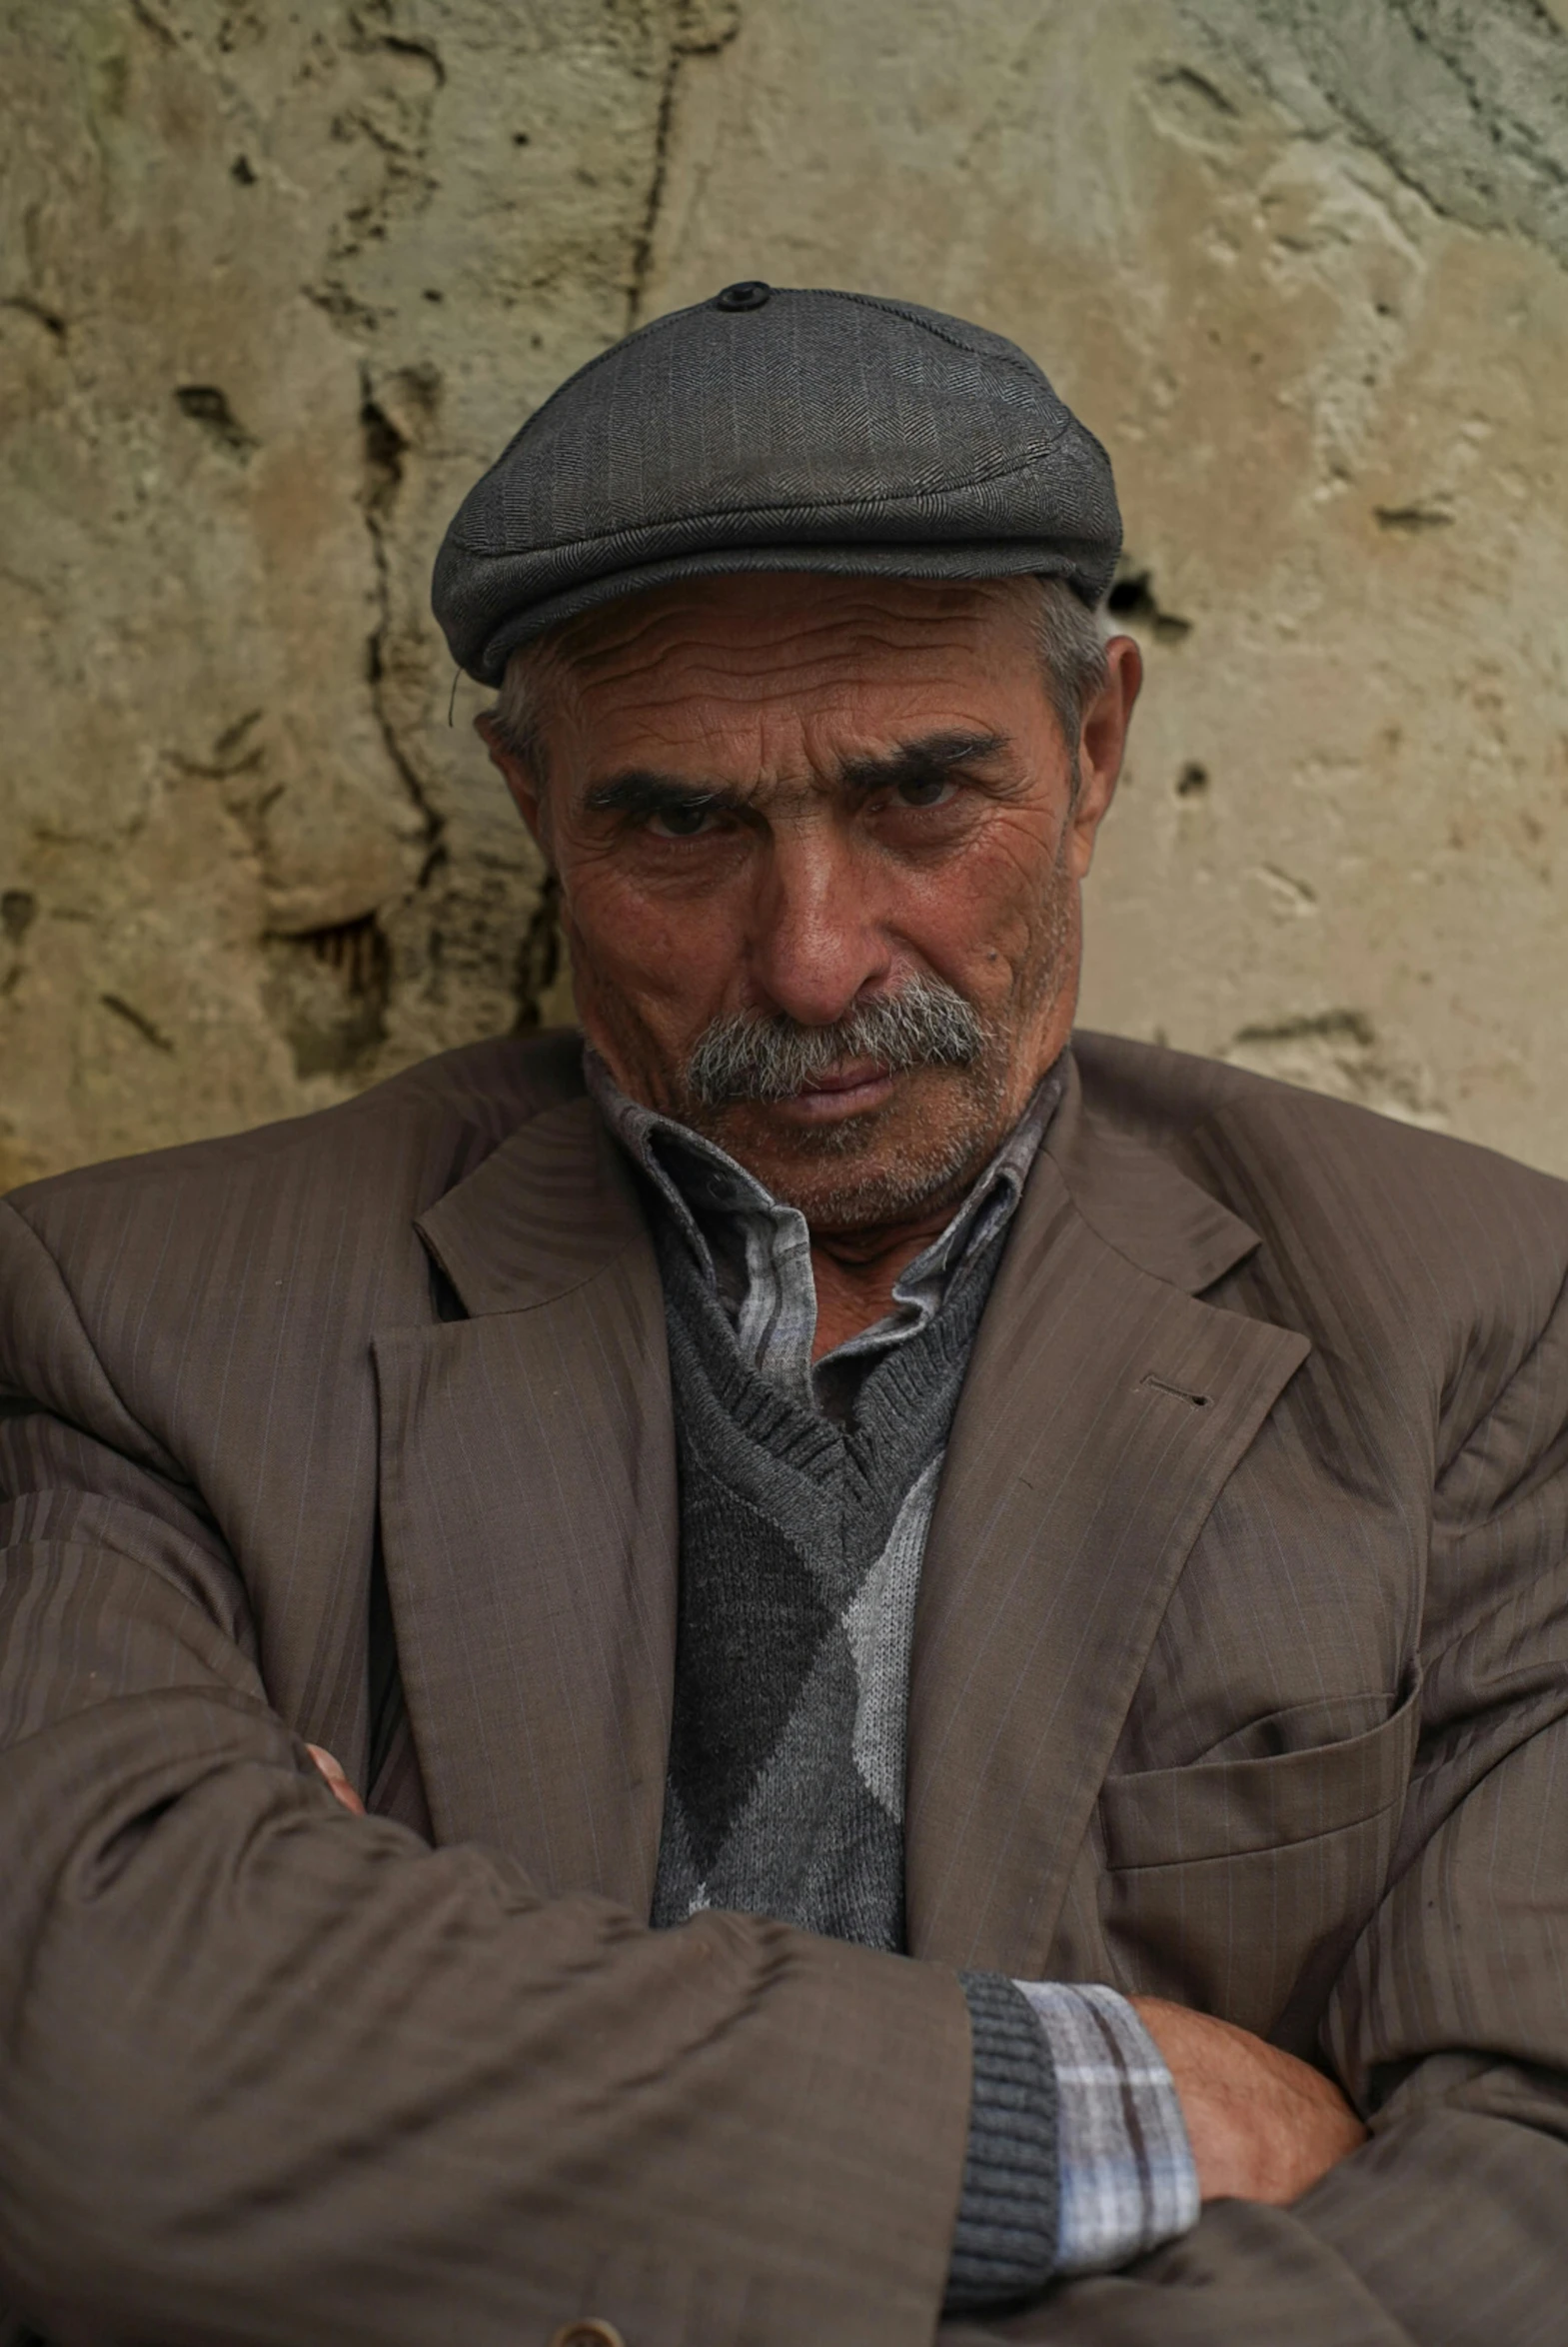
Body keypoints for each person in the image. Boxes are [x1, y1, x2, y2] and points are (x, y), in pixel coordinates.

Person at [0, 283, 1564, 2347]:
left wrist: (387, 2015)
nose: (816, 960)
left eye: (922, 797)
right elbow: (93, 2094)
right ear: (529, 798)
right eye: (678, 823)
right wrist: (1076, 2103)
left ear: (1094, 747)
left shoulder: (1479, 1327)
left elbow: (1522, 2201)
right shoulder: (129, 1323)